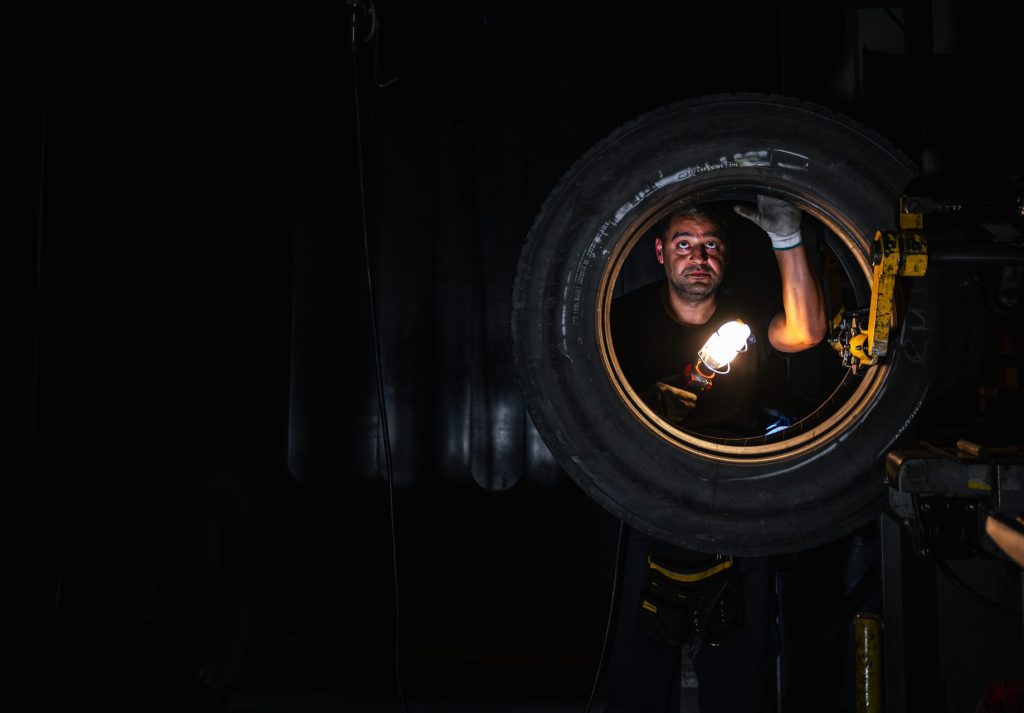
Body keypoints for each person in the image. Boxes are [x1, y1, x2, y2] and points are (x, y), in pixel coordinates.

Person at [606, 196, 826, 713]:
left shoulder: (742, 314)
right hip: (648, 500)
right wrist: (643, 409)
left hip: (736, 502)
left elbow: (807, 332)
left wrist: (787, 238)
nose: (698, 257)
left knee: (740, 675)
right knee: (637, 675)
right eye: (684, 244)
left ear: (725, 255)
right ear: (660, 252)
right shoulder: (622, 319)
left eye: (710, 245)